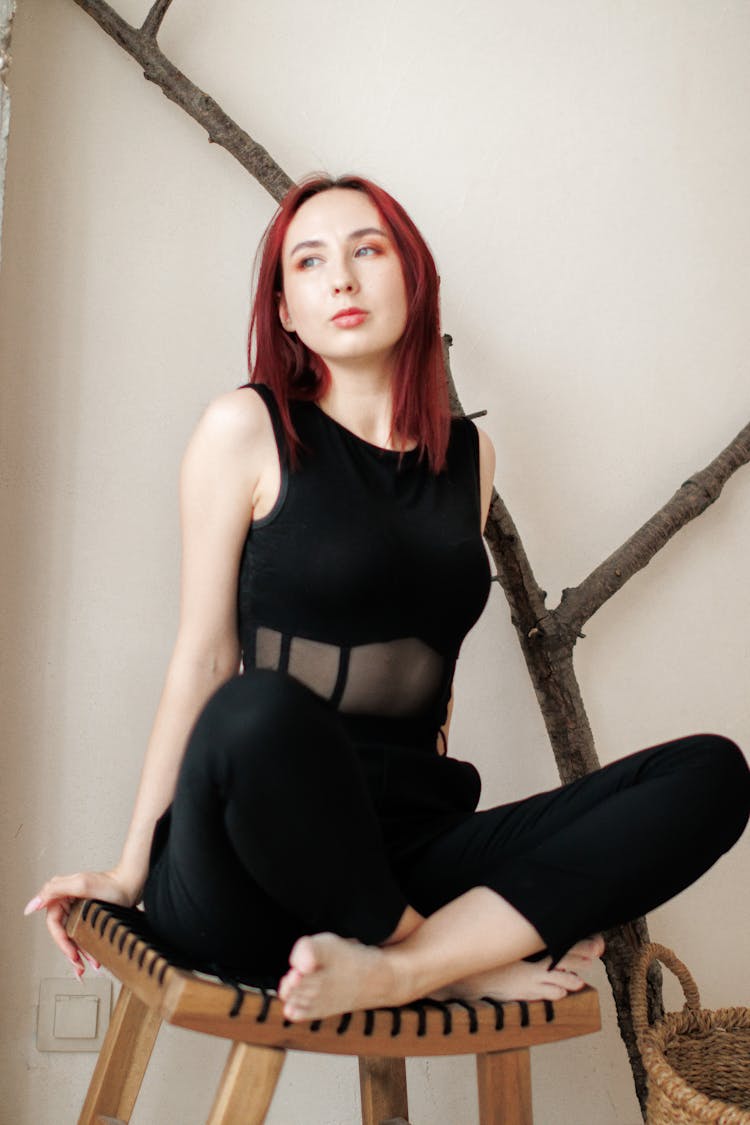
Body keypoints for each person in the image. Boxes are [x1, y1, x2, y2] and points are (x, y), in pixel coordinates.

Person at [25, 174, 750, 1024]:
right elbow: (205, 657)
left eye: (368, 251)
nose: (342, 278)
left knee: (711, 774)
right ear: (286, 310)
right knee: (257, 703)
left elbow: (432, 673)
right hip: (244, 868)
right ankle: (432, 953)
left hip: (400, 848)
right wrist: (125, 873)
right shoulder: (244, 428)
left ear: (413, 278)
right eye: (310, 261)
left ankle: (408, 963)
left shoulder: (470, 458)